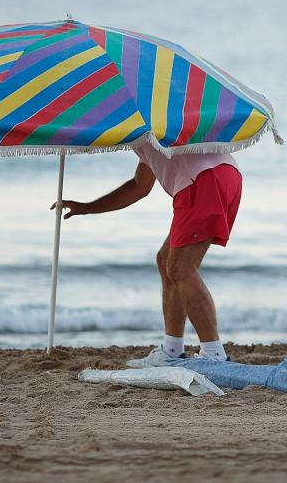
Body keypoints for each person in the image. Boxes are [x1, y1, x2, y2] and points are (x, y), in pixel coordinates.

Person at [53, 142, 241, 366]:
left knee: (181, 268)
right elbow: (139, 186)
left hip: (202, 181)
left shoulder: (147, 127)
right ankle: (172, 349)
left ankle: (213, 354)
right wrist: (87, 208)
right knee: (166, 261)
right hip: (225, 174)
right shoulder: (150, 132)